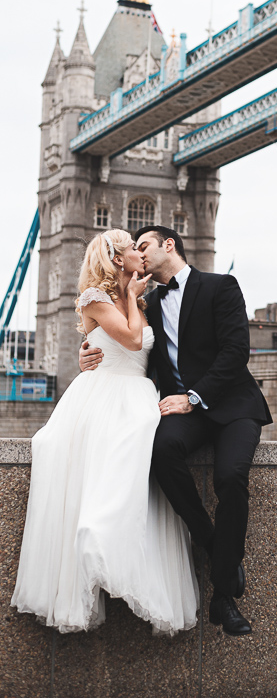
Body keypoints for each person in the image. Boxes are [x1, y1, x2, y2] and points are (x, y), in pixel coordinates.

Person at [79, 225, 271, 636]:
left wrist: (194, 396)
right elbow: (132, 349)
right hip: (184, 412)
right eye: (133, 248)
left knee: (231, 477)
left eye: (143, 245)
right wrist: (90, 353)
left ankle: (223, 597)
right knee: (161, 452)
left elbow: (236, 351)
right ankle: (215, 545)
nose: (138, 253)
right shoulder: (146, 301)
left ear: (169, 245)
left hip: (232, 405)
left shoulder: (221, 286)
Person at [12, 229, 198, 635]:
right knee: (110, 476)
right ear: (117, 258)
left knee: (140, 482)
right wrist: (130, 297)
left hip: (140, 394)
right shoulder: (95, 297)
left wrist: (134, 297)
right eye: (132, 248)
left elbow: (150, 355)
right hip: (106, 395)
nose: (138, 252)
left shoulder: (145, 300)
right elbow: (132, 340)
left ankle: (123, 558)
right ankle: (96, 546)